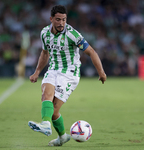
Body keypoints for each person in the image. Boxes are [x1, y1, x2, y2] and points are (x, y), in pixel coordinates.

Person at [28, 5, 107, 146]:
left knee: (54, 111)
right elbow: (45, 53)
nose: (61, 23)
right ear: (51, 19)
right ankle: (48, 126)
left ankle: (60, 135)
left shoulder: (72, 35)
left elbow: (91, 52)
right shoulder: (44, 33)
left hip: (69, 74)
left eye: (64, 20)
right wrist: (37, 72)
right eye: (58, 20)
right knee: (46, 95)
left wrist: (101, 72)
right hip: (52, 69)